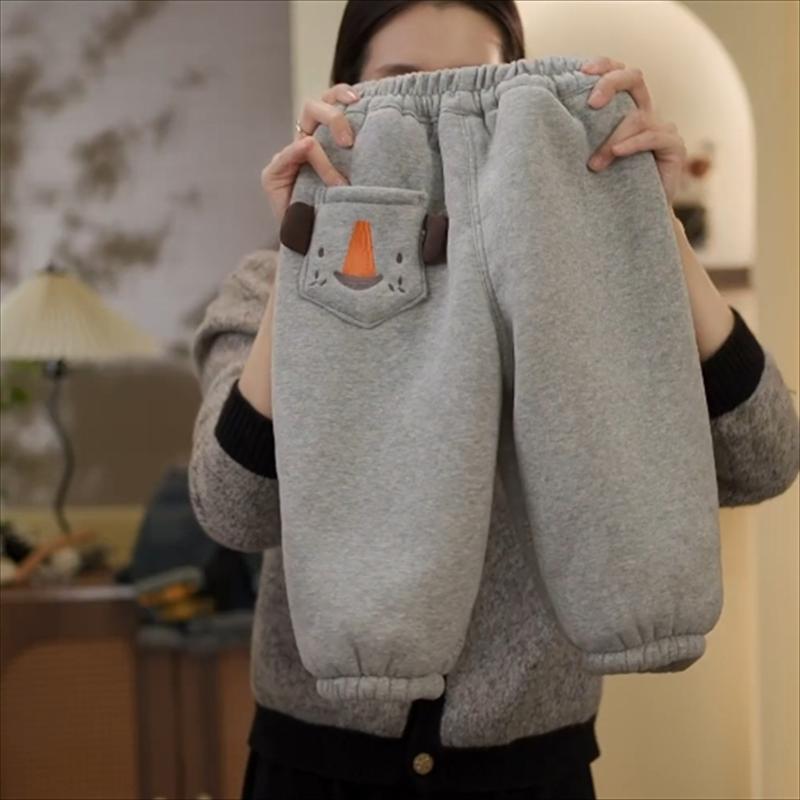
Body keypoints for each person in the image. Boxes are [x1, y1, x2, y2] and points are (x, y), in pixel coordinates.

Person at [188, 2, 800, 798]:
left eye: (471, 83)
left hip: (530, 767)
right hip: (317, 767)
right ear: (341, 99)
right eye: (404, 83)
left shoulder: (576, 283)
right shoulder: (261, 286)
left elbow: (767, 456)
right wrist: (307, 255)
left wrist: (649, 227)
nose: (444, 118)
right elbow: (232, 511)